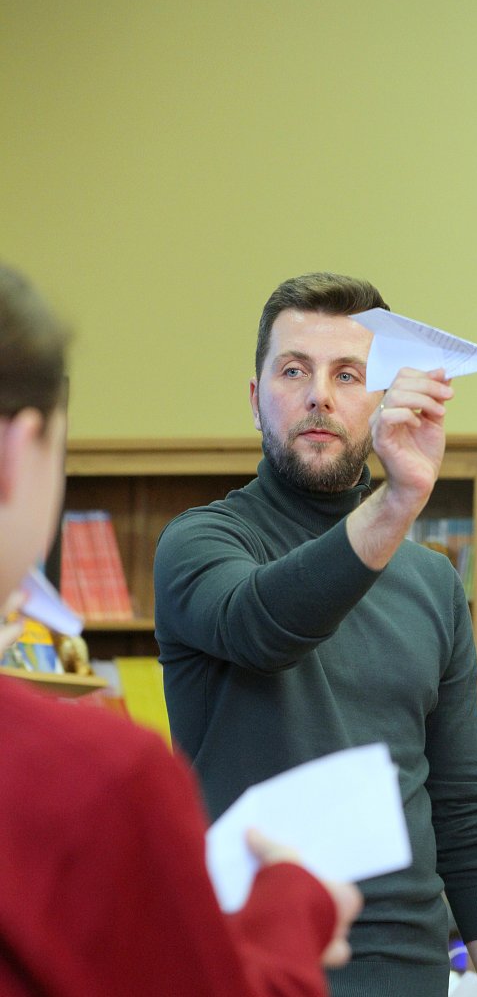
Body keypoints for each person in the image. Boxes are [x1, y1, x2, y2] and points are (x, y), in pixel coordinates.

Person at [154, 271, 477, 997]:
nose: (319, 395)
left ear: (381, 397)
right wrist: (397, 503)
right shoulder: (201, 543)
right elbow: (264, 626)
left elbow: (464, 809)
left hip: (409, 968)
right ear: (256, 398)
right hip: (249, 966)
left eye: (347, 374)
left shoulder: (432, 584)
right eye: (293, 370)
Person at [0, 262, 361, 997]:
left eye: (347, 374)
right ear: (17, 451)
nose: (319, 395)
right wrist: (296, 904)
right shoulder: (95, 780)